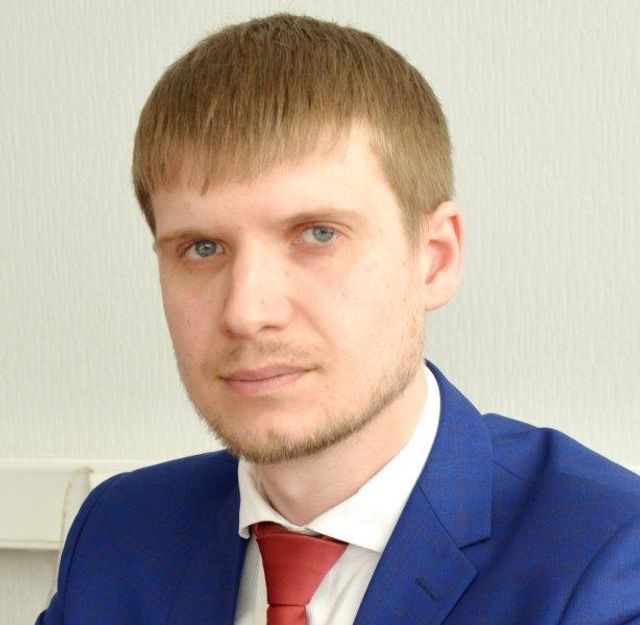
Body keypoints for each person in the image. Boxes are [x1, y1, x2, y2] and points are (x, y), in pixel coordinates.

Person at [37, 12, 640, 625]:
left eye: (318, 234)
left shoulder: (610, 560)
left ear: (435, 259)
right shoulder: (119, 533)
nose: (246, 312)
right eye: (203, 248)